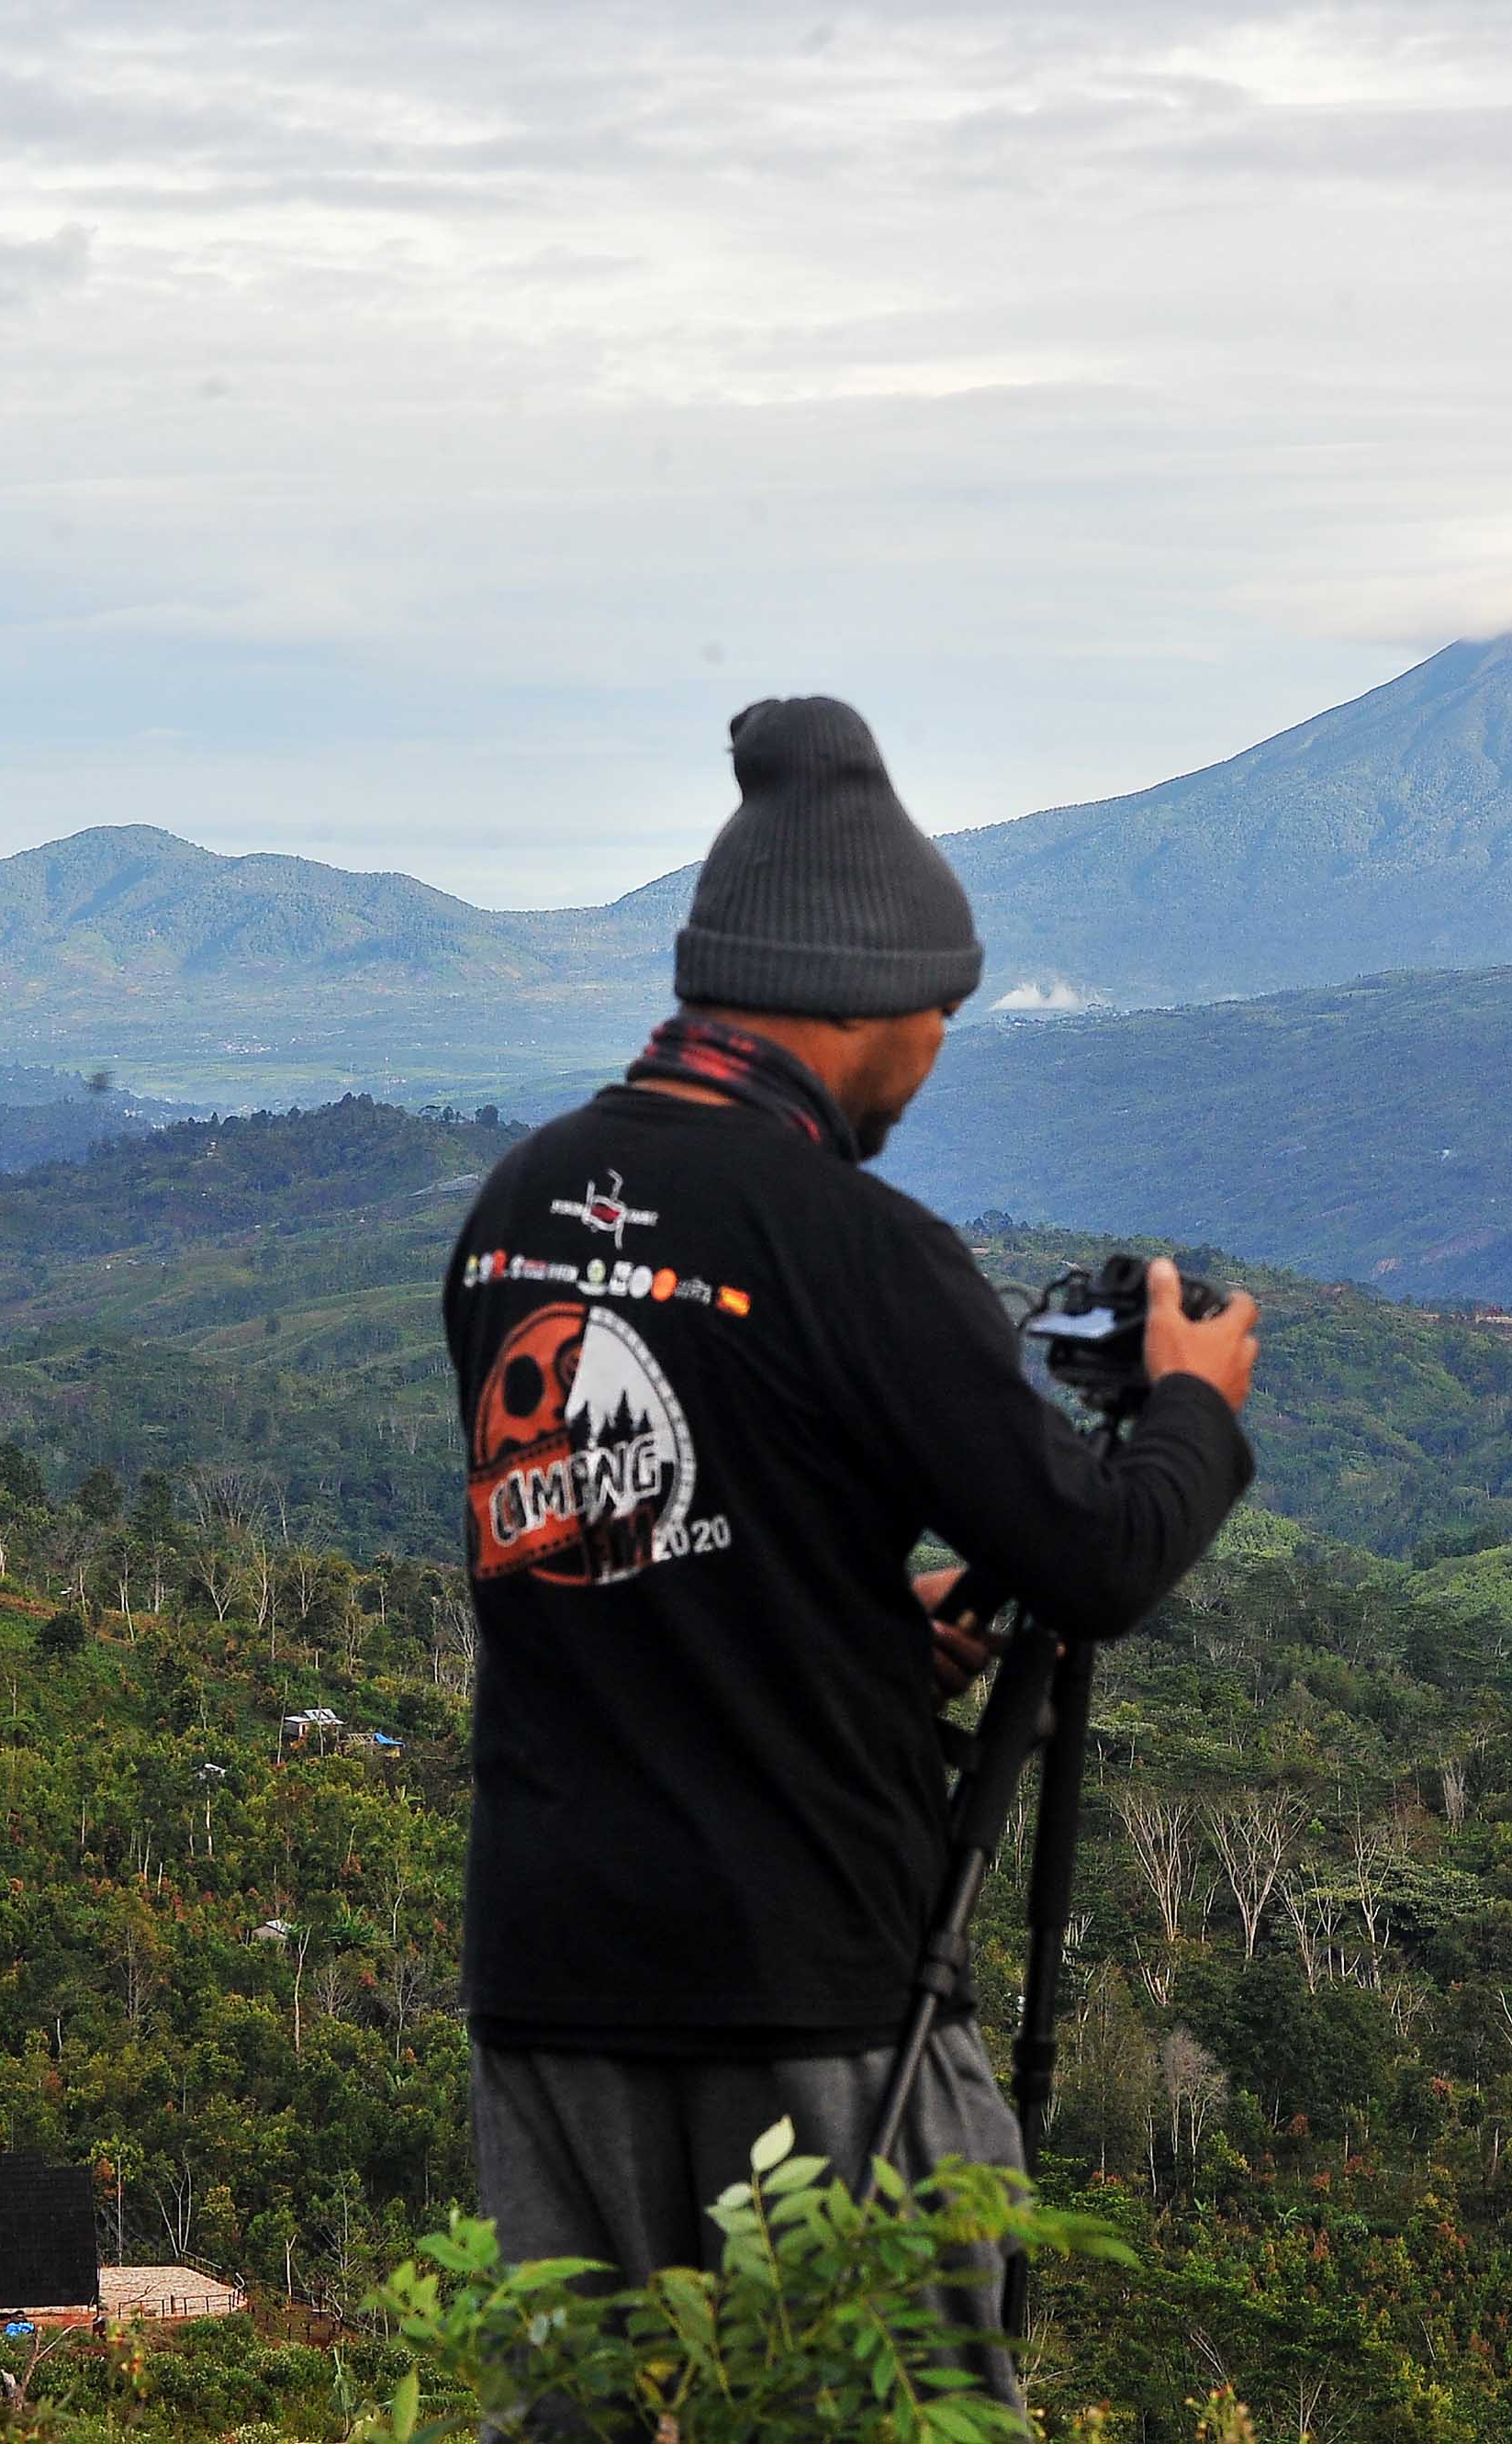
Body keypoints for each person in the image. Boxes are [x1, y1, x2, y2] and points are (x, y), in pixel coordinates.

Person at [440, 696, 1258, 2401]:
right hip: (805, 1983)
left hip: (554, 1974)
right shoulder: (855, 1245)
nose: (939, 1050)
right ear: (870, 999)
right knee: (886, 2411)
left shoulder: (518, 1208)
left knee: (581, 2414)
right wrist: (1197, 1408)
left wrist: (873, 1626)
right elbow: (1101, 1557)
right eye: (946, 1014)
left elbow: (621, 1543)